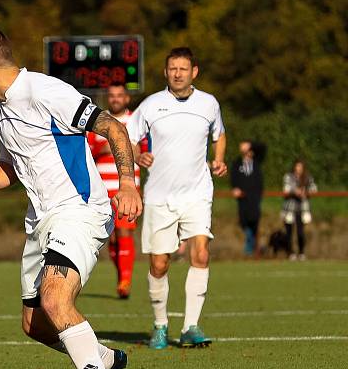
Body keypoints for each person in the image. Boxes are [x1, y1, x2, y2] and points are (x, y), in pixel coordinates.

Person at [0, 25, 142, 369]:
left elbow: (113, 127)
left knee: (56, 301)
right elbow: (11, 168)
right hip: (40, 221)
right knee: (35, 325)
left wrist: (127, 183)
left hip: (78, 210)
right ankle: (105, 359)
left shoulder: (43, 91)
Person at [126, 46, 227, 350]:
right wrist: (137, 155)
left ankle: (191, 326)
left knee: (201, 254)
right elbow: (127, 136)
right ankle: (160, 326)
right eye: (173, 69)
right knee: (159, 264)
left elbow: (219, 134)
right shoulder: (151, 105)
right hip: (159, 195)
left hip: (198, 192)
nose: (178, 73)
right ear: (166, 72)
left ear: (194, 71)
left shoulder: (209, 103)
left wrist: (219, 158)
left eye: (183, 68)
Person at [87, 83, 146, 298]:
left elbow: (143, 150)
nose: (115, 99)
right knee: (110, 240)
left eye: (120, 95)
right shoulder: (98, 121)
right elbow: (87, 152)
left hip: (126, 188)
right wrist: (100, 149)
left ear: (127, 99)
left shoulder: (136, 122)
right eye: (111, 96)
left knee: (124, 231)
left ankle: (125, 281)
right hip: (102, 190)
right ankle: (122, 273)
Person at [230, 141, 266, 257]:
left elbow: (263, 147)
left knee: (254, 221)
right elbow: (233, 177)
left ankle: (250, 249)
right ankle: (252, 247)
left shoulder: (256, 163)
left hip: (254, 198)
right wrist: (235, 188)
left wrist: (250, 145)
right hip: (243, 198)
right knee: (243, 222)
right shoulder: (237, 163)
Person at [282, 159, 317, 260]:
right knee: (289, 232)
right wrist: (295, 191)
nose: (298, 169)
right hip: (289, 208)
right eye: (297, 167)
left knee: (300, 232)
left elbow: (314, 188)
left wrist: (305, 191)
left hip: (302, 208)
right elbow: (286, 188)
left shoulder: (308, 177)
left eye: (300, 167)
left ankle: (301, 252)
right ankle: (291, 253)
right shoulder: (288, 176)